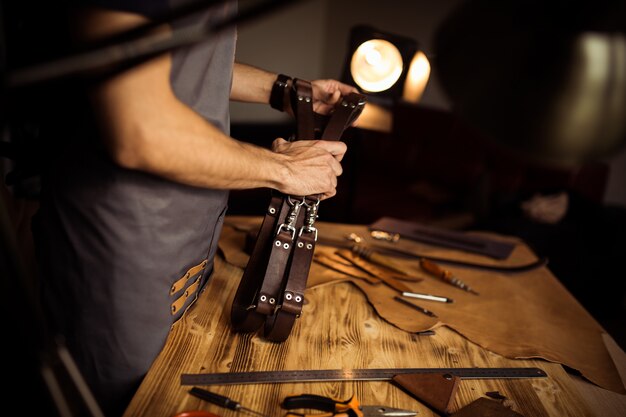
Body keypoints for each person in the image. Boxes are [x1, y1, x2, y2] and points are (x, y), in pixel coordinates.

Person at [18, 1, 360, 415]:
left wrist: (286, 90)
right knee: (120, 402)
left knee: (168, 391)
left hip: (187, 236)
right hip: (121, 251)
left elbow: (176, 63)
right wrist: (285, 169)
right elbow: (141, 129)